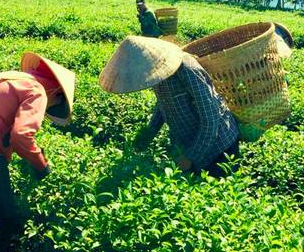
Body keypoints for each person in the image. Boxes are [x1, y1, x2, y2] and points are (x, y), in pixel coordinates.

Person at [0, 52, 75, 252]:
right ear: (56, 93)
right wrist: (41, 165)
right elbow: (21, 136)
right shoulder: (37, 90)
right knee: (8, 219)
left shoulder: (7, 77)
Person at [99, 36, 239, 177]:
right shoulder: (155, 73)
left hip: (219, 148)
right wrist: (148, 134)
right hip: (189, 143)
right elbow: (163, 103)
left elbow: (211, 117)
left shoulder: (187, 69)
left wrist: (190, 157)